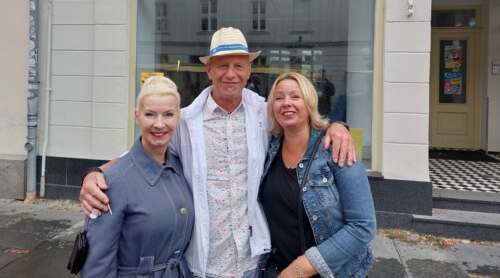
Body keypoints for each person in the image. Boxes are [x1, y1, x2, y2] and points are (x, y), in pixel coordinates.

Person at [80, 27, 356, 278]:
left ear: (249, 71)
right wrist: (96, 173)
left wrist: (336, 127)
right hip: (202, 262)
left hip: (251, 260)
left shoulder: (264, 113)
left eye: (239, 65)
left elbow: (300, 122)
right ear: (209, 70)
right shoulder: (185, 121)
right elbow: (140, 154)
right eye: (222, 65)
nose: (231, 73)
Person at [259, 72, 376, 278]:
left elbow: (363, 226)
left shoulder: (335, 149)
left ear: (310, 103)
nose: (287, 103)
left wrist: (301, 268)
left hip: (331, 273)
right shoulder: (269, 149)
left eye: (295, 96)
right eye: (279, 98)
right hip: (277, 270)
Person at [82, 76, 194, 277]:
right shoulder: (112, 182)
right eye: (150, 114)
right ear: (137, 117)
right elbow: (97, 266)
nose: (159, 124)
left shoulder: (180, 166)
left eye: (168, 114)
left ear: (178, 117)